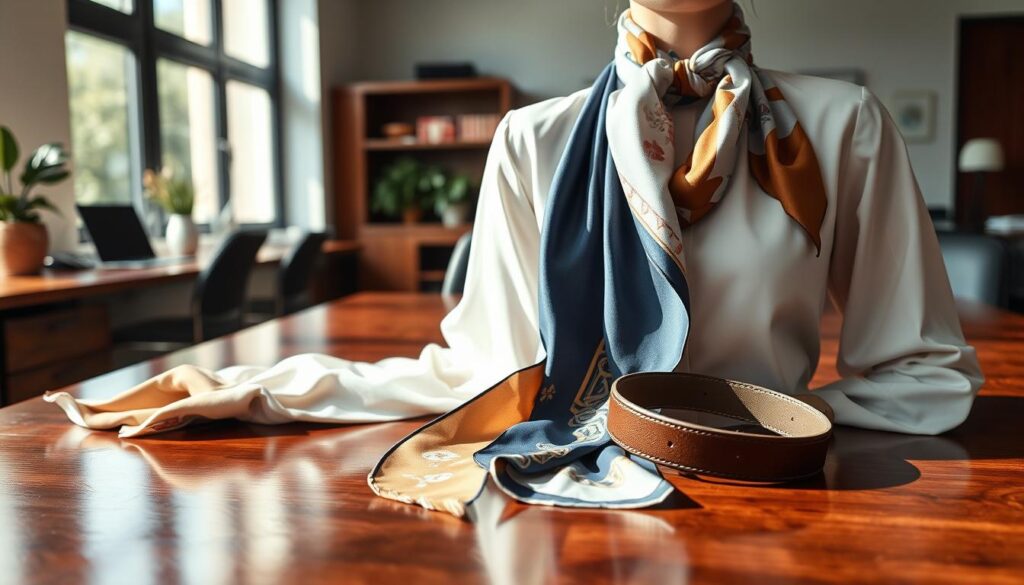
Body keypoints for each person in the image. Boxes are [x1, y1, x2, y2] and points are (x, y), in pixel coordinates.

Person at [48, 0, 983, 519]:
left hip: (781, 502)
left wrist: (763, 425)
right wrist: (270, 392)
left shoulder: (841, 127)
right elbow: (488, 372)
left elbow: (921, 372)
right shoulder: (532, 140)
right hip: (572, 511)